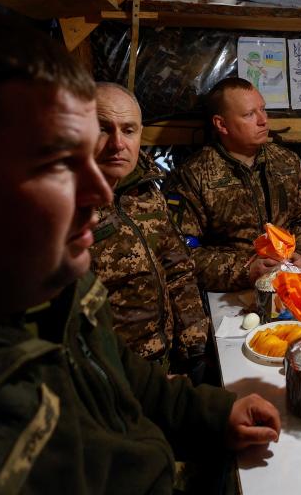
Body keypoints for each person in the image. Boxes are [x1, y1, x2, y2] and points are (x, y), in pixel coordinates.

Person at [0, 7, 280, 492]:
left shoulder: (47, 285)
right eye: (57, 162)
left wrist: (210, 411)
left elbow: (116, 375)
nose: (99, 192)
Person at [91, 82, 210, 379]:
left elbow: (177, 268)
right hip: (113, 380)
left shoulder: (145, 190)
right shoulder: (63, 209)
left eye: (129, 130)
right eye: (103, 129)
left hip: (166, 367)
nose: (118, 143)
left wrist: (195, 344)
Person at [170, 77, 301, 291]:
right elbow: (182, 252)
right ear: (221, 124)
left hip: (289, 282)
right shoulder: (195, 175)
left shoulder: (286, 162)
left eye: (263, 110)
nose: (263, 120)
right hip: (230, 293)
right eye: (249, 114)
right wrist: (244, 270)